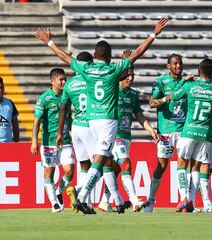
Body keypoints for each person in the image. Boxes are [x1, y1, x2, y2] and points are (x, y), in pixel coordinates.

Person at [35, 18, 168, 214]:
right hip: (107, 121)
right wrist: (153, 33)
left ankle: (110, 199)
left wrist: (49, 42)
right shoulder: (114, 70)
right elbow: (138, 53)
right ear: (110, 56)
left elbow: (65, 57)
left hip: (91, 120)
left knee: (102, 160)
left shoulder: (86, 69)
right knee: (100, 160)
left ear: (95, 55)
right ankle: (81, 194)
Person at [172, 58, 212, 213]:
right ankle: (198, 203)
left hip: (188, 131)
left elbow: (174, 97)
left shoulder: (190, 86)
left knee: (182, 164)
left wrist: (183, 82)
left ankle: (184, 198)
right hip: (205, 133)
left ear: (199, 72)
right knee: (199, 166)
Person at [98, 67, 160, 212]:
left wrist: (150, 130)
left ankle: (104, 201)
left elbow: (138, 114)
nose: (131, 78)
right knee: (126, 164)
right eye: (128, 75)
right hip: (114, 135)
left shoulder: (132, 94)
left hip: (126, 136)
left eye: (133, 76)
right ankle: (134, 199)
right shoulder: (112, 91)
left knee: (115, 170)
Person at [144, 53, 188, 212]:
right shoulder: (160, 82)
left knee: (183, 163)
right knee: (162, 166)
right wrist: (166, 98)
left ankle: (185, 200)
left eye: (180, 63)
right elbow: (151, 103)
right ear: (168, 66)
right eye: (175, 63)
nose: (178, 66)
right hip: (166, 130)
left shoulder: (186, 82)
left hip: (183, 130)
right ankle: (150, 200)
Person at [30, 68, 75, 213]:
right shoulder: (44, 99)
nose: (63, 82)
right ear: (52, 81)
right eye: (60, 79)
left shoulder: (67, 97)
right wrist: (34, 141)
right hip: (49, 142)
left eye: (64, 79)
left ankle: (58, 191)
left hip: (65, 140)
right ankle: (54, 203)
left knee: (70, 171)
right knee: (49, 172)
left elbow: (69, 118)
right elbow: (36, 121)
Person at [56, 52, 95, 213]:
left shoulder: (70, 84)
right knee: (99, 165)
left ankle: (87, 204)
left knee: (84, 165)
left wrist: (60, 133)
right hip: (90, 125)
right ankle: (79, 192)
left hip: (76, 128)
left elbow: (63, 110)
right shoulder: (93, 79)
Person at [0, 77, 19, 142]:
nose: (0, 90)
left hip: (7, 145)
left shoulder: (10, 104)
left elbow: (15, 126)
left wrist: (17, 144)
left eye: (1, 87)